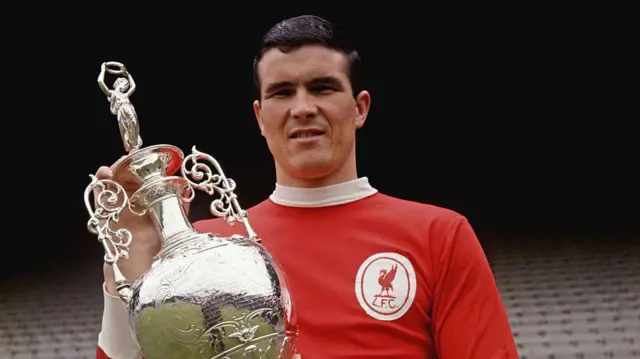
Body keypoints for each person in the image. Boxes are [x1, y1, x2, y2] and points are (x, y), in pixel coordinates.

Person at [95, 15, 519, 359]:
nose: (303, 108)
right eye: (283, 92)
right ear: (260, 117)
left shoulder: (438, 235)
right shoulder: (211, 248)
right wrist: (132, 253)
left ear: (360, 108)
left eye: (322, 87)